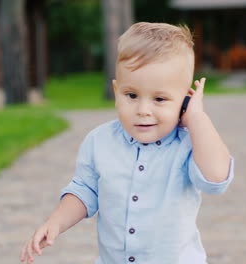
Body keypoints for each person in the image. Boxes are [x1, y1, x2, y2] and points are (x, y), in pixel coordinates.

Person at [19, 22, 234, 264]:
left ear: (185, 100)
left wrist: (196, 117)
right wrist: (55, 222)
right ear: (116, 90)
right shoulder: (99, 142)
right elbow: (84, 191)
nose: (143, 110)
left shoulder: (187, 145)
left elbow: (216, 179)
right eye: (131, 95)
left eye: (160, 99)